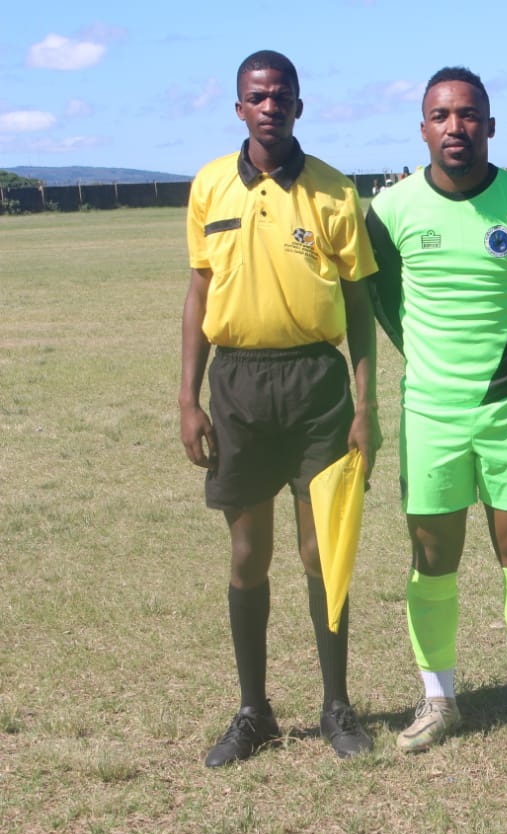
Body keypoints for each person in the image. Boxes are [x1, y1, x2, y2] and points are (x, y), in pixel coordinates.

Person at [365, 66, 507, 752]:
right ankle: (438, 700)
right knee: (433, 558)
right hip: (430, 410)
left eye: (468, 115)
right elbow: (386, 302)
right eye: (441, 115)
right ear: (423, 128)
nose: (455, 126)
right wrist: (430, 365)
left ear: (490, 125)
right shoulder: (392, 210)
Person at [180, 50, 380, 767]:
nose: (270, 106)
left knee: (320, 552)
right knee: (247, 552)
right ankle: (253, 710)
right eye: (257, 96)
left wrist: (366, 403)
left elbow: (359, 306)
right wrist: (187, 397)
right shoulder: (208, 187)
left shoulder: (332, 192)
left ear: (300, 104)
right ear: (239, 108)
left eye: (282, 96)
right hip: (235, 384)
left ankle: (336, 704)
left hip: (316, 386)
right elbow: (200, 292)